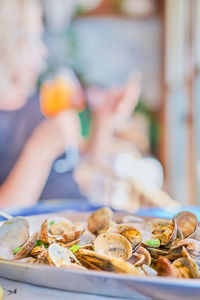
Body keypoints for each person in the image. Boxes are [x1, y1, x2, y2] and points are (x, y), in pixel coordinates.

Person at [0, 0, 81, 208]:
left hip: (79, 220)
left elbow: (75, 168)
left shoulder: (38, 103)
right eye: (35, 40)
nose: (43, 52)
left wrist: (104, 122)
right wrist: (42, 149)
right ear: (7, 43)